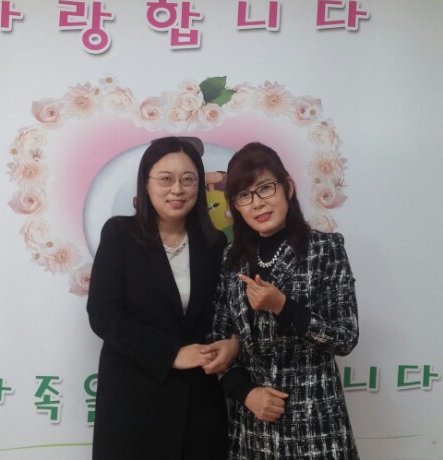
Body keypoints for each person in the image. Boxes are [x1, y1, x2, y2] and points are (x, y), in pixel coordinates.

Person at [87, 136, 236, 460]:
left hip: (199, 403)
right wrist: (170, 354)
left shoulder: (214, 245)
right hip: (134, 399)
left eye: (188, 180)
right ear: (146, 183)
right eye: (166, 179)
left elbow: (225, 316)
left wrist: (232, 344)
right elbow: (103, 314)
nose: (177, 190)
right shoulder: (120, 234)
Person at [211, 142, 360, 459]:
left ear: (288, 187)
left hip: (316, 424)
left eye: (266, 188)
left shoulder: (325, 249)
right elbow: (218, 338)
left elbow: (345, 337)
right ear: (236, 206)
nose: (257, 203)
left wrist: (283, 306)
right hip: (253, 427)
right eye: (244, 195)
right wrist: (246, 392)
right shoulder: (231, 259)